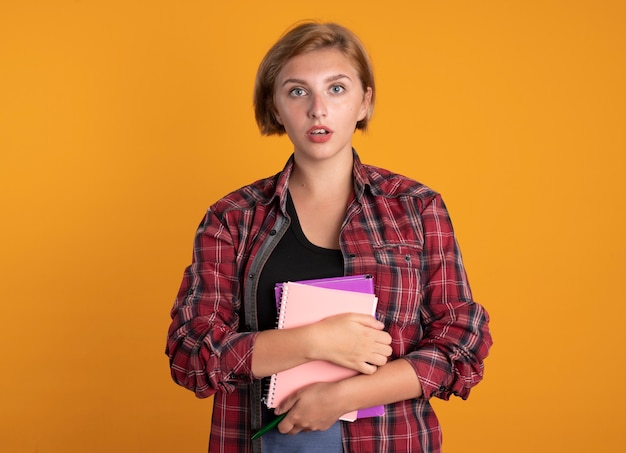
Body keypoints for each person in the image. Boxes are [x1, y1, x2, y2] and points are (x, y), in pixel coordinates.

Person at [166, 21, 492, 453]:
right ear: (276, 107)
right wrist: (315, 341)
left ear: (364, 101)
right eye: (297, 91)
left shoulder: (416, 206)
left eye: (336, 89)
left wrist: (343, 397)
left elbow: (461, 341)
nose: (317, 109)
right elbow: (191, 351)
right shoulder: (232, 218)